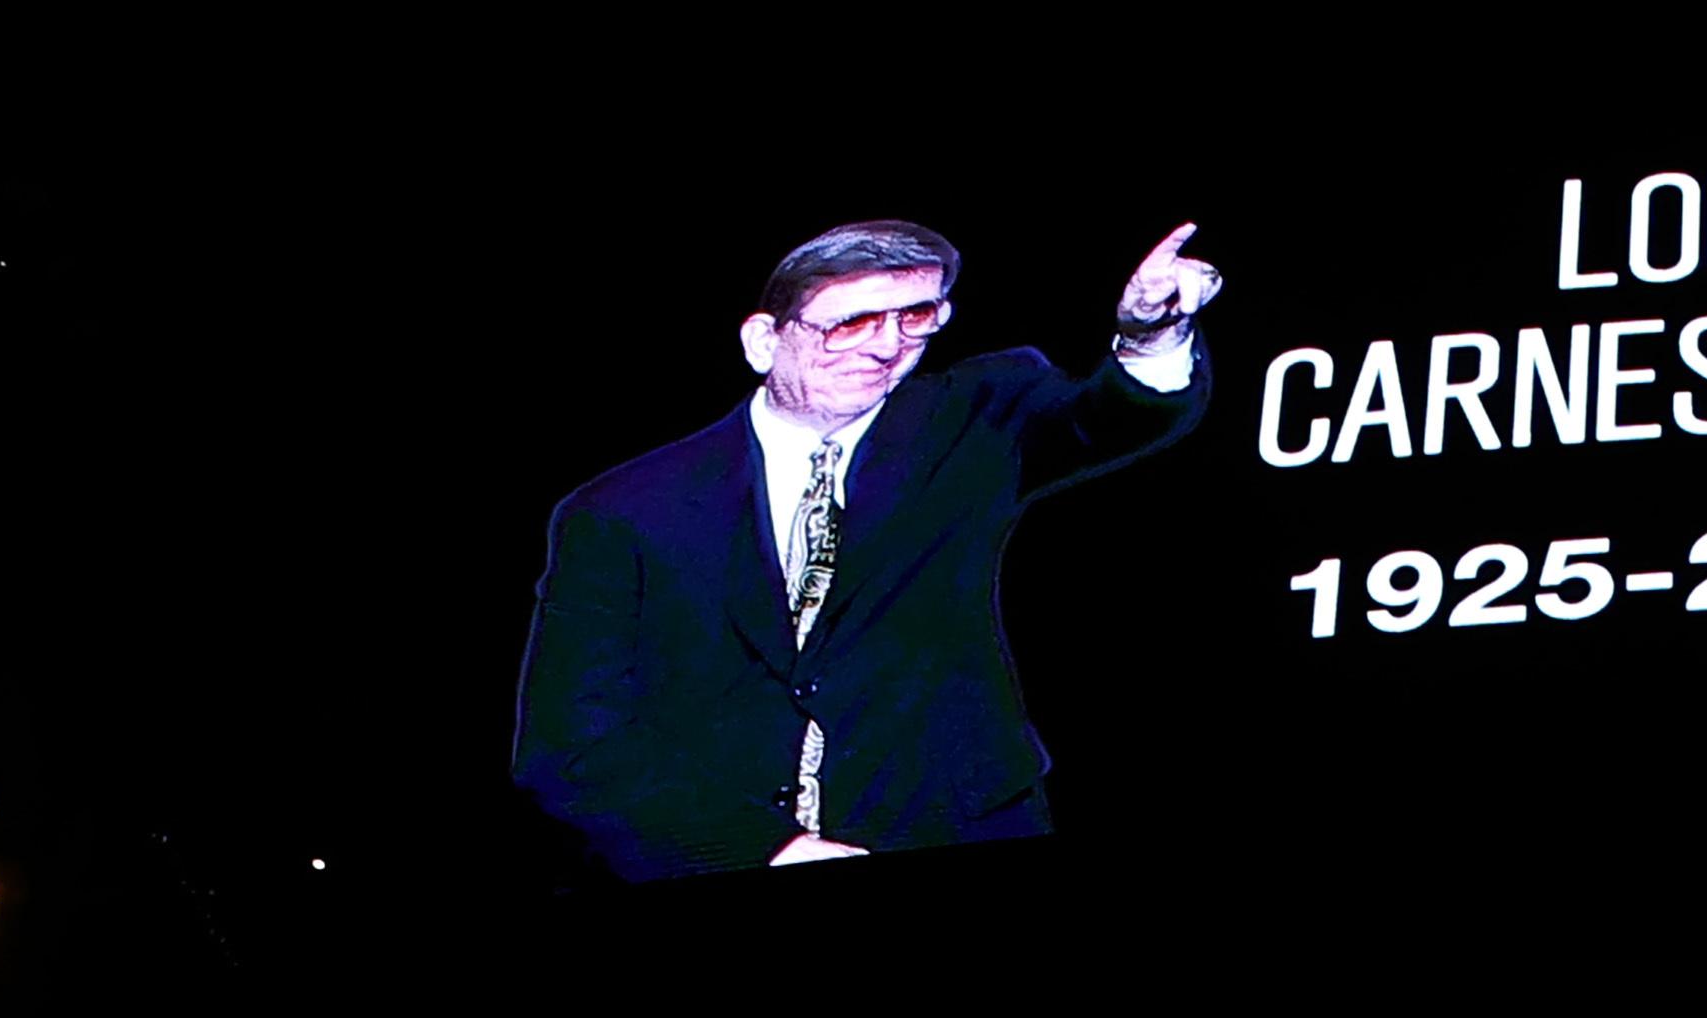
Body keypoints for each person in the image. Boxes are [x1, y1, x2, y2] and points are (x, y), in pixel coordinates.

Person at [512, 216, 1222, 879]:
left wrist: (1150, 337)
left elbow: (1110, 418)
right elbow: (570, 744)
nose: (888, 347)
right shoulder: (620, 512)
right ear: (764, 340)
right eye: (850, 322)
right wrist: (770, 848)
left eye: (915, 317)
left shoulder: (972, 418)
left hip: (958, 823)